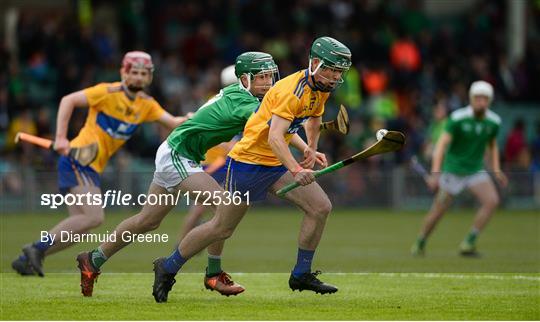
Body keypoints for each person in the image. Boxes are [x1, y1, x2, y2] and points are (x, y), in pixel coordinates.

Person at [149, 36, 352, 303]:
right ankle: (168, 266)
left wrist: (310, 149)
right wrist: (296, 167)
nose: (336, 76)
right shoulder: (291, 91)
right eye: (332, 69)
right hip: (248, 163)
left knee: (320, 207)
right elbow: (275, 138)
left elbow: (313, 117)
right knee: (221, 227)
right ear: (315, 63)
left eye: (340, 71)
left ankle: (301, 274)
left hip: (273, 163)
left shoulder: (321, 87)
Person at [77, 52, 282, 298]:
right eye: (261, 77)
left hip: (177, 152)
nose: (268, 82)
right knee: (224, 207)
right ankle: (213, 274)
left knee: (147, 221)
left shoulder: (243, 96)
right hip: (177, 155)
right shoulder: (245, 102)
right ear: (245, 79)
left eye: (270, 76)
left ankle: (93, 259)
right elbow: (276, 124)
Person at [11, 51, 190, 277]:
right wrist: (61, 137)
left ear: (150, 77)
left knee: (82, 226)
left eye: (143, 73)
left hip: (93, 167)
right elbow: (69, 100)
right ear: (123, 73)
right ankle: (36, 249)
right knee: (94, 217)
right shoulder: (107, 92)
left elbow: (173, 122)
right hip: (79, 160)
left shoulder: (146, 104)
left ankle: (26, 259)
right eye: (133, 72)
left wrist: (192, 119)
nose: (138, 77)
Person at [411, 80, 508, 257]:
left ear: (490, 100)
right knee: (438, 211)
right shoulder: (457, 118)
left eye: (485, 99)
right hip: (453, 171)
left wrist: (496, 169)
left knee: (492, 201)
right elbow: (441, 145)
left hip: (475, 170)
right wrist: (435, 173)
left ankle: (469, 242)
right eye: (477, 98)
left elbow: (492, 146)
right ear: (471, 99)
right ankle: (421, 241)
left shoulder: (494, 122)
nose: (481, 102)